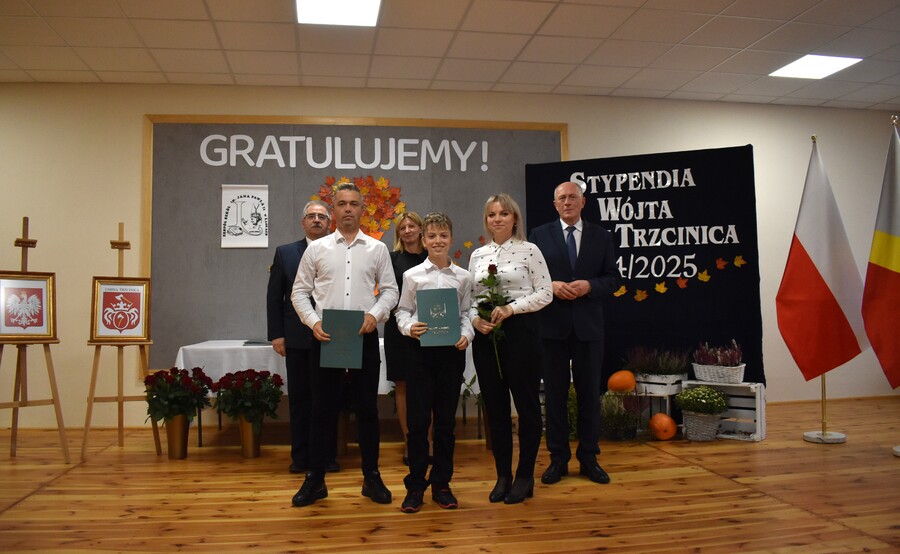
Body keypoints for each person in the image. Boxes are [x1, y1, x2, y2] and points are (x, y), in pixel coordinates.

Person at [289, 183, 399, 508]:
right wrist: (313, 322)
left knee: (367, 410)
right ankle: (315, 479)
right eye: (341, 203)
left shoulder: (377, 249)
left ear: (362, 210)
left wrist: (375, 315)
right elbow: (299, 292)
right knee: (322, 410)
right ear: (333, 210)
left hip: (364, 337)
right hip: (326, 339)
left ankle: (372, 477)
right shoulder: (317, 249)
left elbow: (390, 291)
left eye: (353, 203)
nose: (348, 208)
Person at [528, 181, 618, 486]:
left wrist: (590, 285)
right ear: (555, 204)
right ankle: (558, 459)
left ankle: (589, 458)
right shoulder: (539, 235)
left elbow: (612, 278)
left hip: (588, 328)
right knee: (554, 396)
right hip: (551, 326)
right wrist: (550, 286)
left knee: (589, 395)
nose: (567, 202)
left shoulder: (601, 236)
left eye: (572, 197)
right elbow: (529, 277)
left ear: (583, 202)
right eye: (561, 198)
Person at [468, 193, 552, 504]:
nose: (498, 219)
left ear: (514, 218)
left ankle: (525, 475)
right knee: (496, 407)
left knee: (527, 407)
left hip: (522, 332)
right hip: (487, 335)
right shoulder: (478, 255)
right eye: (492, 214)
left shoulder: (530, 250)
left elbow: (546, 293)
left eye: (504, 213)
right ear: (486, 220)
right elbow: (470, 298)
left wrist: (512, 308)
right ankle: (503, 475)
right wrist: (475, 319)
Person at [395, 212, 474, 513]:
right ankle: (415, 485)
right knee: (417, 424)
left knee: (445, 424)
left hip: (450, 355)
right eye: (432, 236)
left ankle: (441, 483)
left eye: (443, 235)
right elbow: (402, 311)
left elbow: (465, 313)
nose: (437, 241)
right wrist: (408, 327)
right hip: (420, 354)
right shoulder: (412, 276)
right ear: (423, 240)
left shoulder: (463, 276)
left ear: (451, 239)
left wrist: (466, 334)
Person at [266, 200, 339, 474]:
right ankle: (300, 457)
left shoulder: (340, 251)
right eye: (311, 216)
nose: (317, 220)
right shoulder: (285, 253)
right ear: (303, 222)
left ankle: (327, 457)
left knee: (328, 399)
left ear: (329, 222)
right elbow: (275, 297)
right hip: (296, 337)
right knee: (299, 399)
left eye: (322, 216)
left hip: (332, 336)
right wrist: (276, 334)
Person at [383, 212, 428, 465]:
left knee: (429, 384)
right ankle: (410, 442)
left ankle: (428, 441)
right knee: (403, 384)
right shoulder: (392, 260)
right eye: (403, 227)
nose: (408, 230)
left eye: (412, 225)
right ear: (398, 233)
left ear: (421, 229)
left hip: (429, 326)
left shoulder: (433, 255)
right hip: (398, 328)